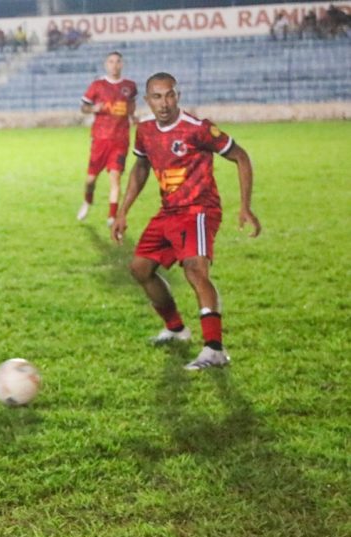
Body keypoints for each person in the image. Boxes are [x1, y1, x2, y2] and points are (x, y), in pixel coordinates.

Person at [111, 72, 261, 371]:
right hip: (169, 211)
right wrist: (123, 211)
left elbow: (241, 157)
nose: (164, 103)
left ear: (177, 96)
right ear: (147, 100)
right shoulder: (145, 131)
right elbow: (141, 167)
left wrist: (245, 207)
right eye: (157, 96)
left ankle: (214, 349)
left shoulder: (199, 129)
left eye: (169, 95)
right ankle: (177, 329)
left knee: (194, 269)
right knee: (140, 269)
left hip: (199, 210)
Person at [78, 52, 137, 226]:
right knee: (90, 180)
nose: (114, 65)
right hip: (100, 140)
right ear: (106, 64)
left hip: (120, 140)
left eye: (118, 61)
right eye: (111, 62)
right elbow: (84, 107)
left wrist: (132, 116)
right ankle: (87, 201)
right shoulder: (97, 85)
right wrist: (94, 108)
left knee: (115, 178)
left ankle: (112, 217)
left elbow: (131, 104)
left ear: (122, 64)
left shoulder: (130, 86)